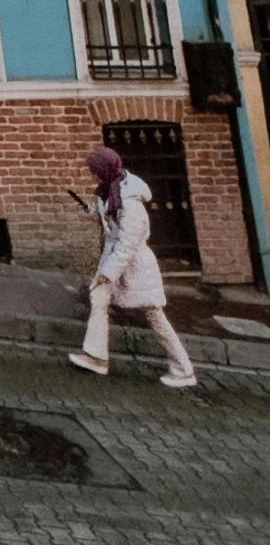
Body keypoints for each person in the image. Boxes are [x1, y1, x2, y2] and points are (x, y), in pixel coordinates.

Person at [68, 143, 196, 388]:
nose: (91, 175)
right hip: (117, 260)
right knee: (98, 298)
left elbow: (127, 244)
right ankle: (96, 356)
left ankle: (184, 369)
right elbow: (104, 209)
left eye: (93, 171)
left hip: (135, 267)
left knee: (154, 315)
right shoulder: (111, 189)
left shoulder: (129, 203)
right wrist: (89, 207)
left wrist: (108, 273)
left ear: (103, 170)